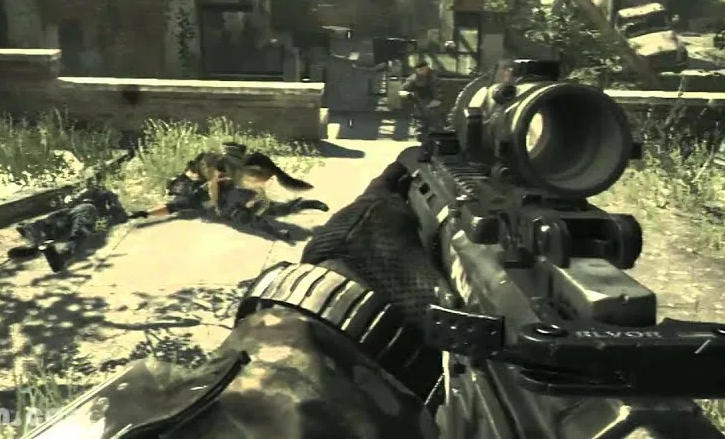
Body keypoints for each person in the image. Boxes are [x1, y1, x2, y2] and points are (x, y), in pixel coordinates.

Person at [22, 150, 449, 438]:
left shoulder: (221, 186)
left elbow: (248, 205)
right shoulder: (204, 188)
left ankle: (49, 238)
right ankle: (49, 238)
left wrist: (303, 210)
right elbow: (185, 203)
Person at [9, 185, 130, 272]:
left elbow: (121, 216)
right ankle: (51, 251)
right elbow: (121, 216)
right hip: (82, 210)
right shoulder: (100, 194)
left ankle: (36, 246)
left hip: (70, 214)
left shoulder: (90, 192)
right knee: (76, 229)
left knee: (56, 225)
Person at [400, 59, 442, 135]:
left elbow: (438, 90)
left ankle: (435, 128)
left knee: (434, 115)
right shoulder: (413, 79)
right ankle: (421, 128)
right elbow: (402, 90)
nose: (422, 71)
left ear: (427, 68)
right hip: (418, 102)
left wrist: (437, 100)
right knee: (420, 116)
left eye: (424, 69)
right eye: (420, 70)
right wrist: (409, 96)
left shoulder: (433, 78)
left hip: (433, 102)